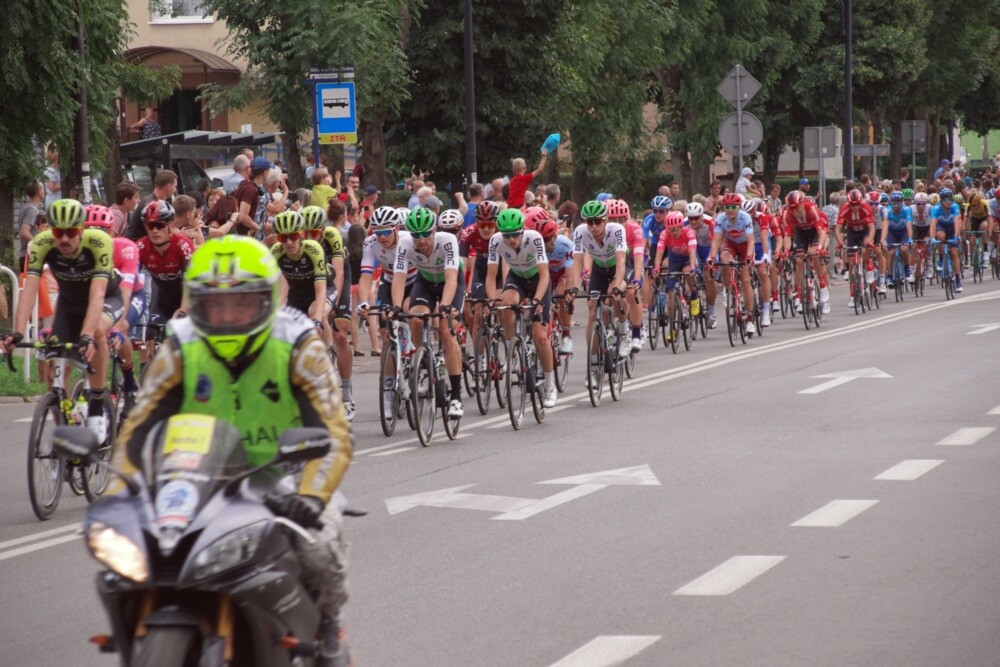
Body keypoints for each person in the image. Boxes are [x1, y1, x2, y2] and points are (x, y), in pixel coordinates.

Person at [110, 235, 354, 667]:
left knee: (320, 542)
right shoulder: (181, 344)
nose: (227, 316)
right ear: (196, 303)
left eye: (241, 303)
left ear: (266, 301)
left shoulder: (299, 342)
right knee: (127, 561)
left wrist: (310, 498)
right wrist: (118, 490)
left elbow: (333, 432)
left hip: (286, 477)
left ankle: (328, 620)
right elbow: (139, 426)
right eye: (214, 305)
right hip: (197, 478)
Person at [3, 199, 124, 441]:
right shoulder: (41, 244)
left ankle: (98, 407)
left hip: (106, 297)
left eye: (71, 232)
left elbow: (98, 294)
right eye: (59, 232)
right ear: (51, 231)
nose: (65, 239)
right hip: (69, 304)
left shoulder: (99, 242)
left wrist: (86, 334)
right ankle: (64, 440)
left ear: (81, 230)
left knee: (97, 330)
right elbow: (28, 292)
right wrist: (17, 332)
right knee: (54, 374)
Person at [389, 208, 466, 418]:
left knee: (446, 330)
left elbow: (451, 278)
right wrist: (396, 306)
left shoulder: (447, 240)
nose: (420, 240)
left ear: (434, 231)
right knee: (415, 319)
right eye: (415, 235)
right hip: (425, 283)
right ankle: (421, 365)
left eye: (425, 234)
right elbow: (399, 277)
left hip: (451, 282)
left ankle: (457, 397)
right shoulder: (405, 243)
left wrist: (445, 307)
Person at [485, 208, 557, 408]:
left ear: (522, 230)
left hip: (537, 281)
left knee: (540, 336)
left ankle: (550, 385)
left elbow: (544, 275)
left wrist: (537, 300)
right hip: (517, 277)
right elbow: (491, 276)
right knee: (505, 303)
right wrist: (492, 299)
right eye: (506, 235)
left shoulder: (534, 238)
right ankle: (512, 350)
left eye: (515, 234)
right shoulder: (496, 240)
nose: (510, 239)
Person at [568, 200, 632, 381]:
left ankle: (624, 329)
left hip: (618, 268)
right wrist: (574, 286)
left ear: (605, 220)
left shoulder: (616, 230)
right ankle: (594, 365)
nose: (593, 226)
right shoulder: (580, 232)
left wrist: (619, 286)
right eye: (590, 222)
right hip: (599, 269)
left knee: (614, 293)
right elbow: (577, 261)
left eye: (597, 221)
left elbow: (620, 261)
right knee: (592, 308)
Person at [708, 192, 757, 335]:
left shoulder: (745, 217)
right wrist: (711, 257)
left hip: (744, 246)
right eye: (727, 207)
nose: (729, 210)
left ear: (738, 207)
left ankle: (750, 318)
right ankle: (727, 287)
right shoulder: (721, 219)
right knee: (724, 258)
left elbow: (751, 240)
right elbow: (717, 240)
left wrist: (748, 256)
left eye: (733, 207)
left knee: (746, 280)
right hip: (730, 244)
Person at [835, 189, 876, 309]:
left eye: (857, 203)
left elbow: (871, 226)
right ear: (849, 203)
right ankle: (852, 294)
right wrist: (840, 242)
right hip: (852, 231)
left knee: (866, 246)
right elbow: (838, 228)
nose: (855, 207)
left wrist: (870, 240)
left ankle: (868, 266)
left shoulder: (865, 207)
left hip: (864, 230)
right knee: (852, 261)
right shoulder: (844, 209)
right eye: (853, 204)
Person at [930, 187, 964, 293]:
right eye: (945, 200)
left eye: (950, 199)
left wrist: (957, 235)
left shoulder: (955, 206)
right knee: (940, 237)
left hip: (952, 228)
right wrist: (931, 237)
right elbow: (933, 224)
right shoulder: (936, 208)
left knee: (954, 253)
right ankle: (941, 259)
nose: (948, 202)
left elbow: (957, 222)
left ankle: (958, 280)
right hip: (941, 226)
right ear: (941, 200)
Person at [18, 180, 44, 271]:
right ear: (39, 192)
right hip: (28, 256)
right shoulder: (31, 209)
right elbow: (24, 232)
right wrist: (38, 244)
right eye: (43, 189)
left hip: (25, 255)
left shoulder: (27, 207)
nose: (44, 192)